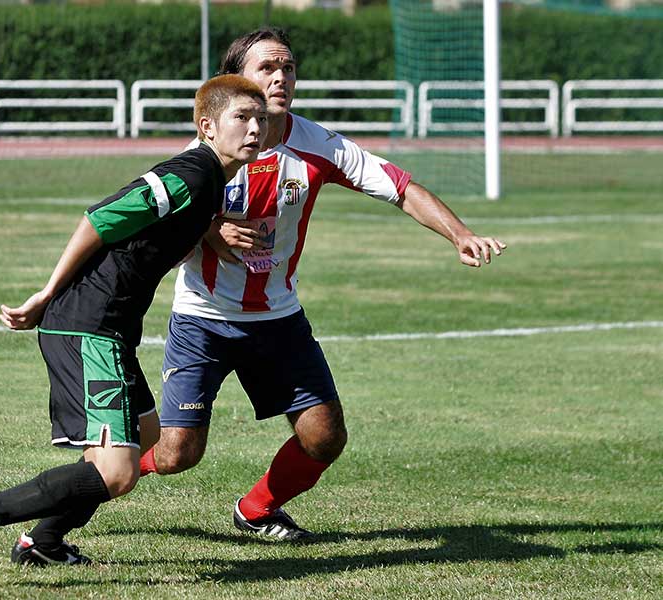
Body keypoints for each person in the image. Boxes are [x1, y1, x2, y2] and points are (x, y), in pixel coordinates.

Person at [137, 28, 508, 541]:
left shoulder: (318, 145)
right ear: (235, 81)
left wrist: (460, 234)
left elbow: (402, 188)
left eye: (287, 67)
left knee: (324, 436)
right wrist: (206, 227)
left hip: (278, 319)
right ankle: (99, 478)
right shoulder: (203, 153)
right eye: (266, 67)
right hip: (204, 319)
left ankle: (257, 509)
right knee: (179, 453)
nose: (281, 77)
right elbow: (157, 227)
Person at [0, 74, 268, 583]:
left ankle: (43, 542)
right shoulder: (190, 174)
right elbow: (100, 219)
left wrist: (208, 234)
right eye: (242, 118)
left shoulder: (211, 182)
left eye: (260, 119)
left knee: (147, 434)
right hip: (88, 325)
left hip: (111, 328)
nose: (254, 128)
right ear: (207, 127)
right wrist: (46, 293)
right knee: (116, 472)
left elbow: (173, 228)